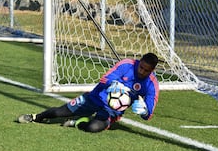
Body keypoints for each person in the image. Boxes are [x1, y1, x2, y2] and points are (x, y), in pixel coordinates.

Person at [17, 53, 160, 133]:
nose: (142, 71)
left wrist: (144, 111)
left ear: (152, 71)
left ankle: (78, 122)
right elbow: (105, 78)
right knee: (58, 112)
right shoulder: (127, 64)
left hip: (111, 111)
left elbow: (149, 114)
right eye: (141, 67)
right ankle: (36, 117)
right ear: (138, 62)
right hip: (94, 98)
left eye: (146, 70)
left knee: (93, 128)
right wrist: (113, 84)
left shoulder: (151, 85)